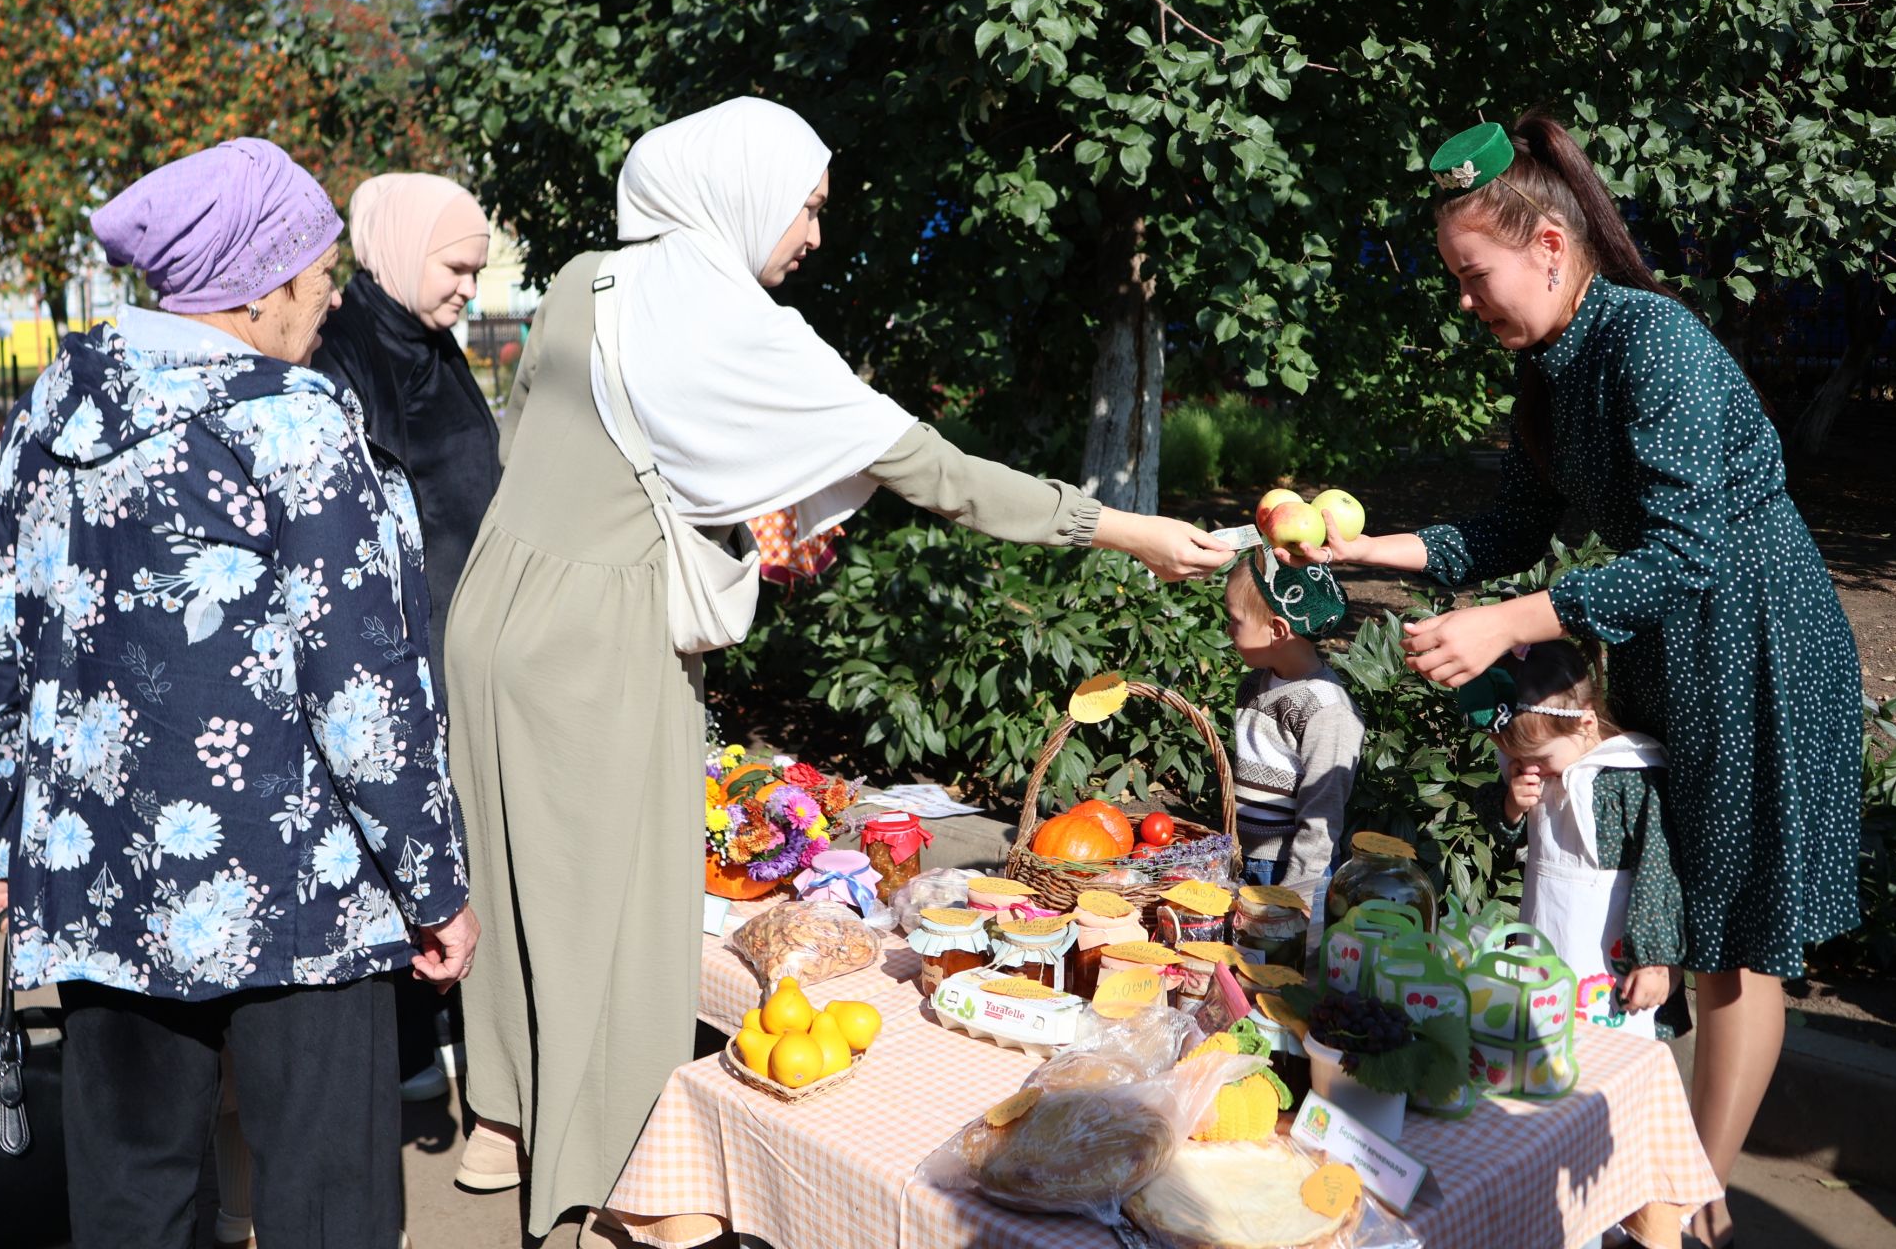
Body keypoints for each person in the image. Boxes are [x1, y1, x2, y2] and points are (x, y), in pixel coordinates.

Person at [445, 96, 1233, 1245]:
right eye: (807, 205)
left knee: (520, 894)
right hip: (593, 649)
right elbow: (940, 471)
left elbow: (583, 456)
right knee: (618, 920)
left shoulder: (585, 283)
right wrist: (1125, 529)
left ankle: (503, 1128)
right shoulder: (742, 332)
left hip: (494, 613)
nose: (814, 233)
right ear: (747, 191)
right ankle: (628, 1191)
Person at [1283, 111, 1862, 1247]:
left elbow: (1691, 553)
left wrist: (1507, 626)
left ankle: (1692, 1200)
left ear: (1549, 243)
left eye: (1474, 274)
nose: (1466, 301)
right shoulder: (1553, 367)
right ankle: (1673, 1177)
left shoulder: (1652, 342)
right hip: (1667, 651)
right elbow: (1507, 528)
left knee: (1730, 938)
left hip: (1757, 652)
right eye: (1456, 279)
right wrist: (1361, 551)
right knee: (1668, 910)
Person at [0, 138, 478, 1249]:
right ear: (259, 288)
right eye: (319, 271)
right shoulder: (293, 423)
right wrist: (435, 886)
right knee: (328, 1201)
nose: (334, 293)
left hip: (101, 880)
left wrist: (5, 846)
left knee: (132, 1197)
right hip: (295, 887)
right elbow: (360, 692)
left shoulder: (55, 410)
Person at [312, 172, 498, 1104]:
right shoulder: (340, 349)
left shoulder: (438, 348)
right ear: (400, 247)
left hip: (470, 632)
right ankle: (399, 1039)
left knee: (456, 828)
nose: (469, 287)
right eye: (456, 266)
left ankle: (445, 1012)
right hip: (393, 641)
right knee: (394, 828)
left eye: (476, 270)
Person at [1470, 642, 1683, 1038]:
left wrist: (1655, 959)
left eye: (1539, 759)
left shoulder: (1628, 774)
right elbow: (1500, 823)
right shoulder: (1540, 767)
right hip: (1546, 932)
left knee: (1610, 1046)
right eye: (1517, 760)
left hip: (1610, 952)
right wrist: (1511, 805)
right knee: (1543, 1035)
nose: (1531, 770)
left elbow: (1659, 870)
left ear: (1585, 723)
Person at [1223, 549, 1364, 889]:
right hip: (1244, 855)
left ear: (1276, 629)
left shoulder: (1327, 711)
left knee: (1282, 944)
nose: (1228, 630)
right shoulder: (1254, 684)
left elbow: (1322, 812)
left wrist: (1299, 891)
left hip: (1290, 868)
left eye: (1235, 620)